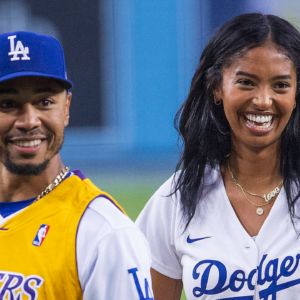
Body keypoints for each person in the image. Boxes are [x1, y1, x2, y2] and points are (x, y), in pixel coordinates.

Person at [136, 13, 300, 300]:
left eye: (280, 85)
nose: (263, 100)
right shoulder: (174, 202)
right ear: (216, 89)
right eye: (246, 82)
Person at [0, 31, 153, 300]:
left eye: (45, 102)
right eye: (8, 104)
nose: (29, 121)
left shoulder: (104, 234)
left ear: (66, 108)